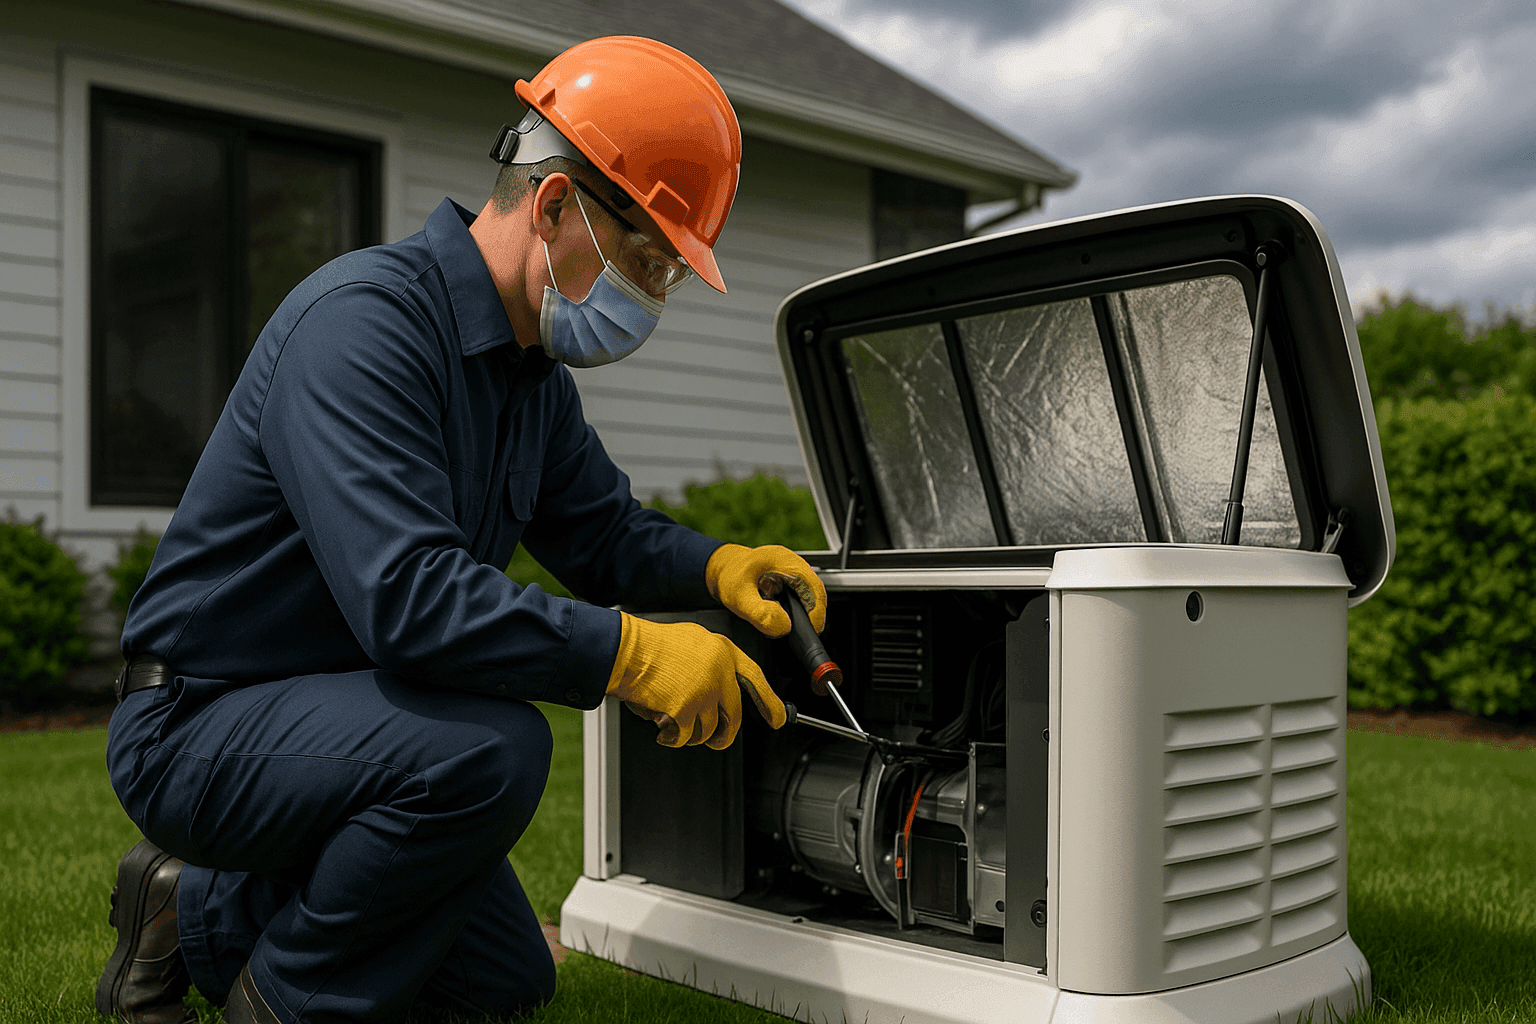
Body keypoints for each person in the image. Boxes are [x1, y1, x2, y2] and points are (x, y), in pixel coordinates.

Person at [96, 36, 825, 1024]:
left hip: (350, 716)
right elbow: (408, 599)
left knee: (501, 981)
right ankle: (281, 1005)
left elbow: (603, 533)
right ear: (558, 204)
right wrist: (632, 653)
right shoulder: (363, 326)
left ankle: (193, 908)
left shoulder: (530, 378)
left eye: (669, 274)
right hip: (203, 720)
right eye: (647, 258)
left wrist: (720, 565)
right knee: (488, 750)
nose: (653, 294)